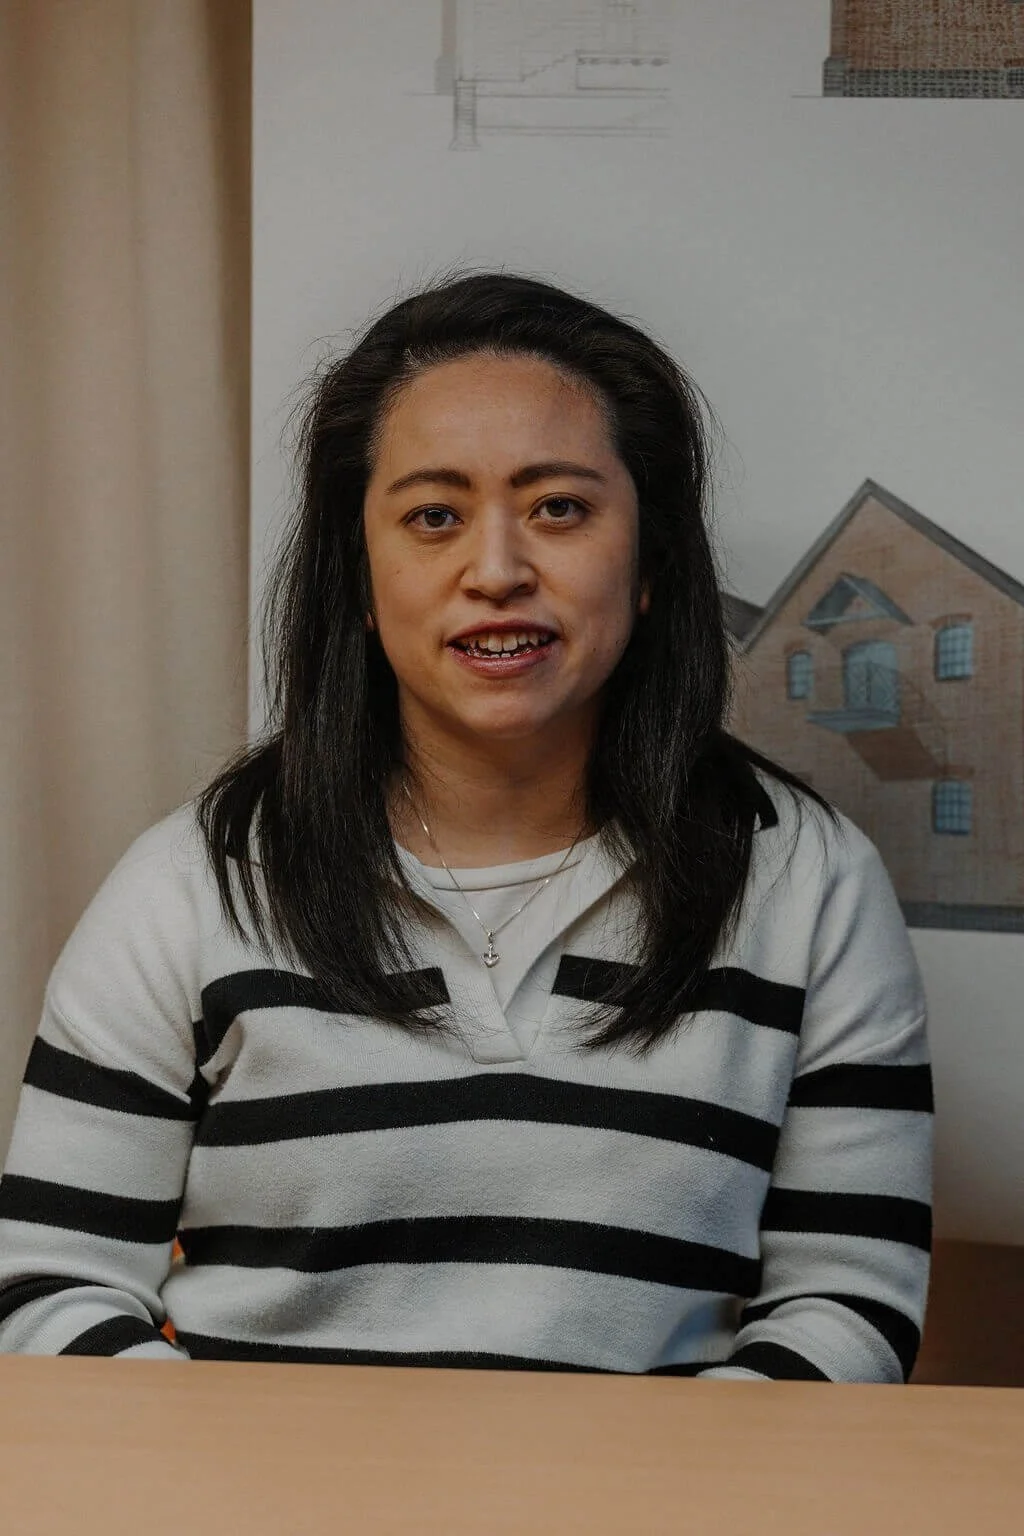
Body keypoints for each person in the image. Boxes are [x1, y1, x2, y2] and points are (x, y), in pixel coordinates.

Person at [0, 273, 933, 1378]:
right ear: (358, 570)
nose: (495, 571)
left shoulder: (805, 881)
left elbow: (848, 1302)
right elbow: (50, 1286)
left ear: (650, 567)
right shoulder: (197, 882)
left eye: (560, 508)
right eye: (433, 516)